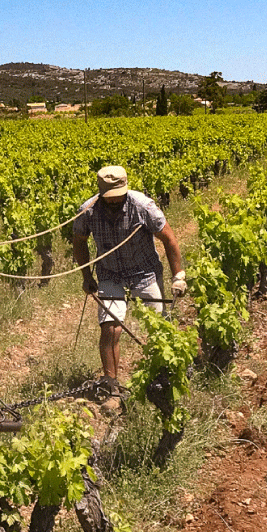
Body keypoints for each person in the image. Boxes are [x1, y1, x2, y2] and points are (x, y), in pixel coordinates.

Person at [72, 165, 186, 395]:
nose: (114, 202)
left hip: (144, 272)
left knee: (159, 327)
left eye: (118, 197)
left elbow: (170, 240)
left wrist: (178, 276)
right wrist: (87, 276)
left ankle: (164, 377)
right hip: (109, 273)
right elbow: (79, 241)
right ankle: (110, 385)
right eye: (109, 198)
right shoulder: (88, 211)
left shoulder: (143, 206)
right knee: (110, 328)